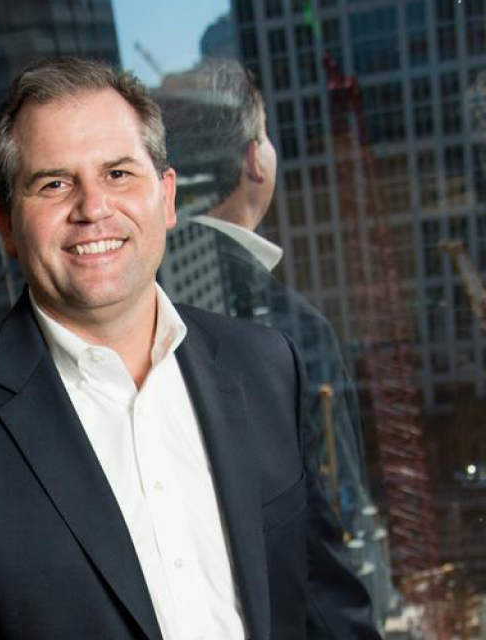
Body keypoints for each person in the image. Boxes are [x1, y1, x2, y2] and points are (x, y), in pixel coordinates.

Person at [0, 57, 379, 639]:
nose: (93, 208)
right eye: (54, 184)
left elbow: (330, 608)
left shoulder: (266, 364)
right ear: (6, 226)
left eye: (118, 173)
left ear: (167, 197)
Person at [159, 59, 391, 622]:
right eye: (265, 136)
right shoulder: (286, 329)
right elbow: (334, 524)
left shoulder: (145, 295)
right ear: (252, 160)